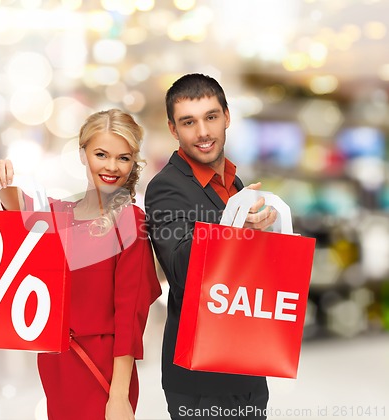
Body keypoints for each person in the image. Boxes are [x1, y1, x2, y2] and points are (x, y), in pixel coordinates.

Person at [0, 109, 162, 420]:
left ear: (133, 162)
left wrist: (119, 397)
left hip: (104, 369)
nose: (111, 166)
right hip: (57, 362)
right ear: (82, 154)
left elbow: (130, 315)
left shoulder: (130, 220)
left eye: (123, 158)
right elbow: (16, 215)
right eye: (101, 154)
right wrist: (3, 181)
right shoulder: (58, 214)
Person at [145, 74, 278, 419]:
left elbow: (242, 267)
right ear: (174, 130)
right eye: (189, 122)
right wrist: (231, 225)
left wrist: (265, 230)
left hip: (246, 364)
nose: (203, 132)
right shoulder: (166, 188)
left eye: (211, 117)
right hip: (200, 379)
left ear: (227, 117)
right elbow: (179, 269)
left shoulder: (234, 182)